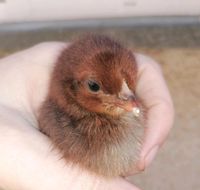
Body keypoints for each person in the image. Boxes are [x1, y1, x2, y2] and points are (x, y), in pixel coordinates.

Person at [0, 42, 174, 190]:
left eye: (130, 85)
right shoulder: (65, 128)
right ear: (70, 88)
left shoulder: (129, 107)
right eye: (94, 86)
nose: (131, 100)